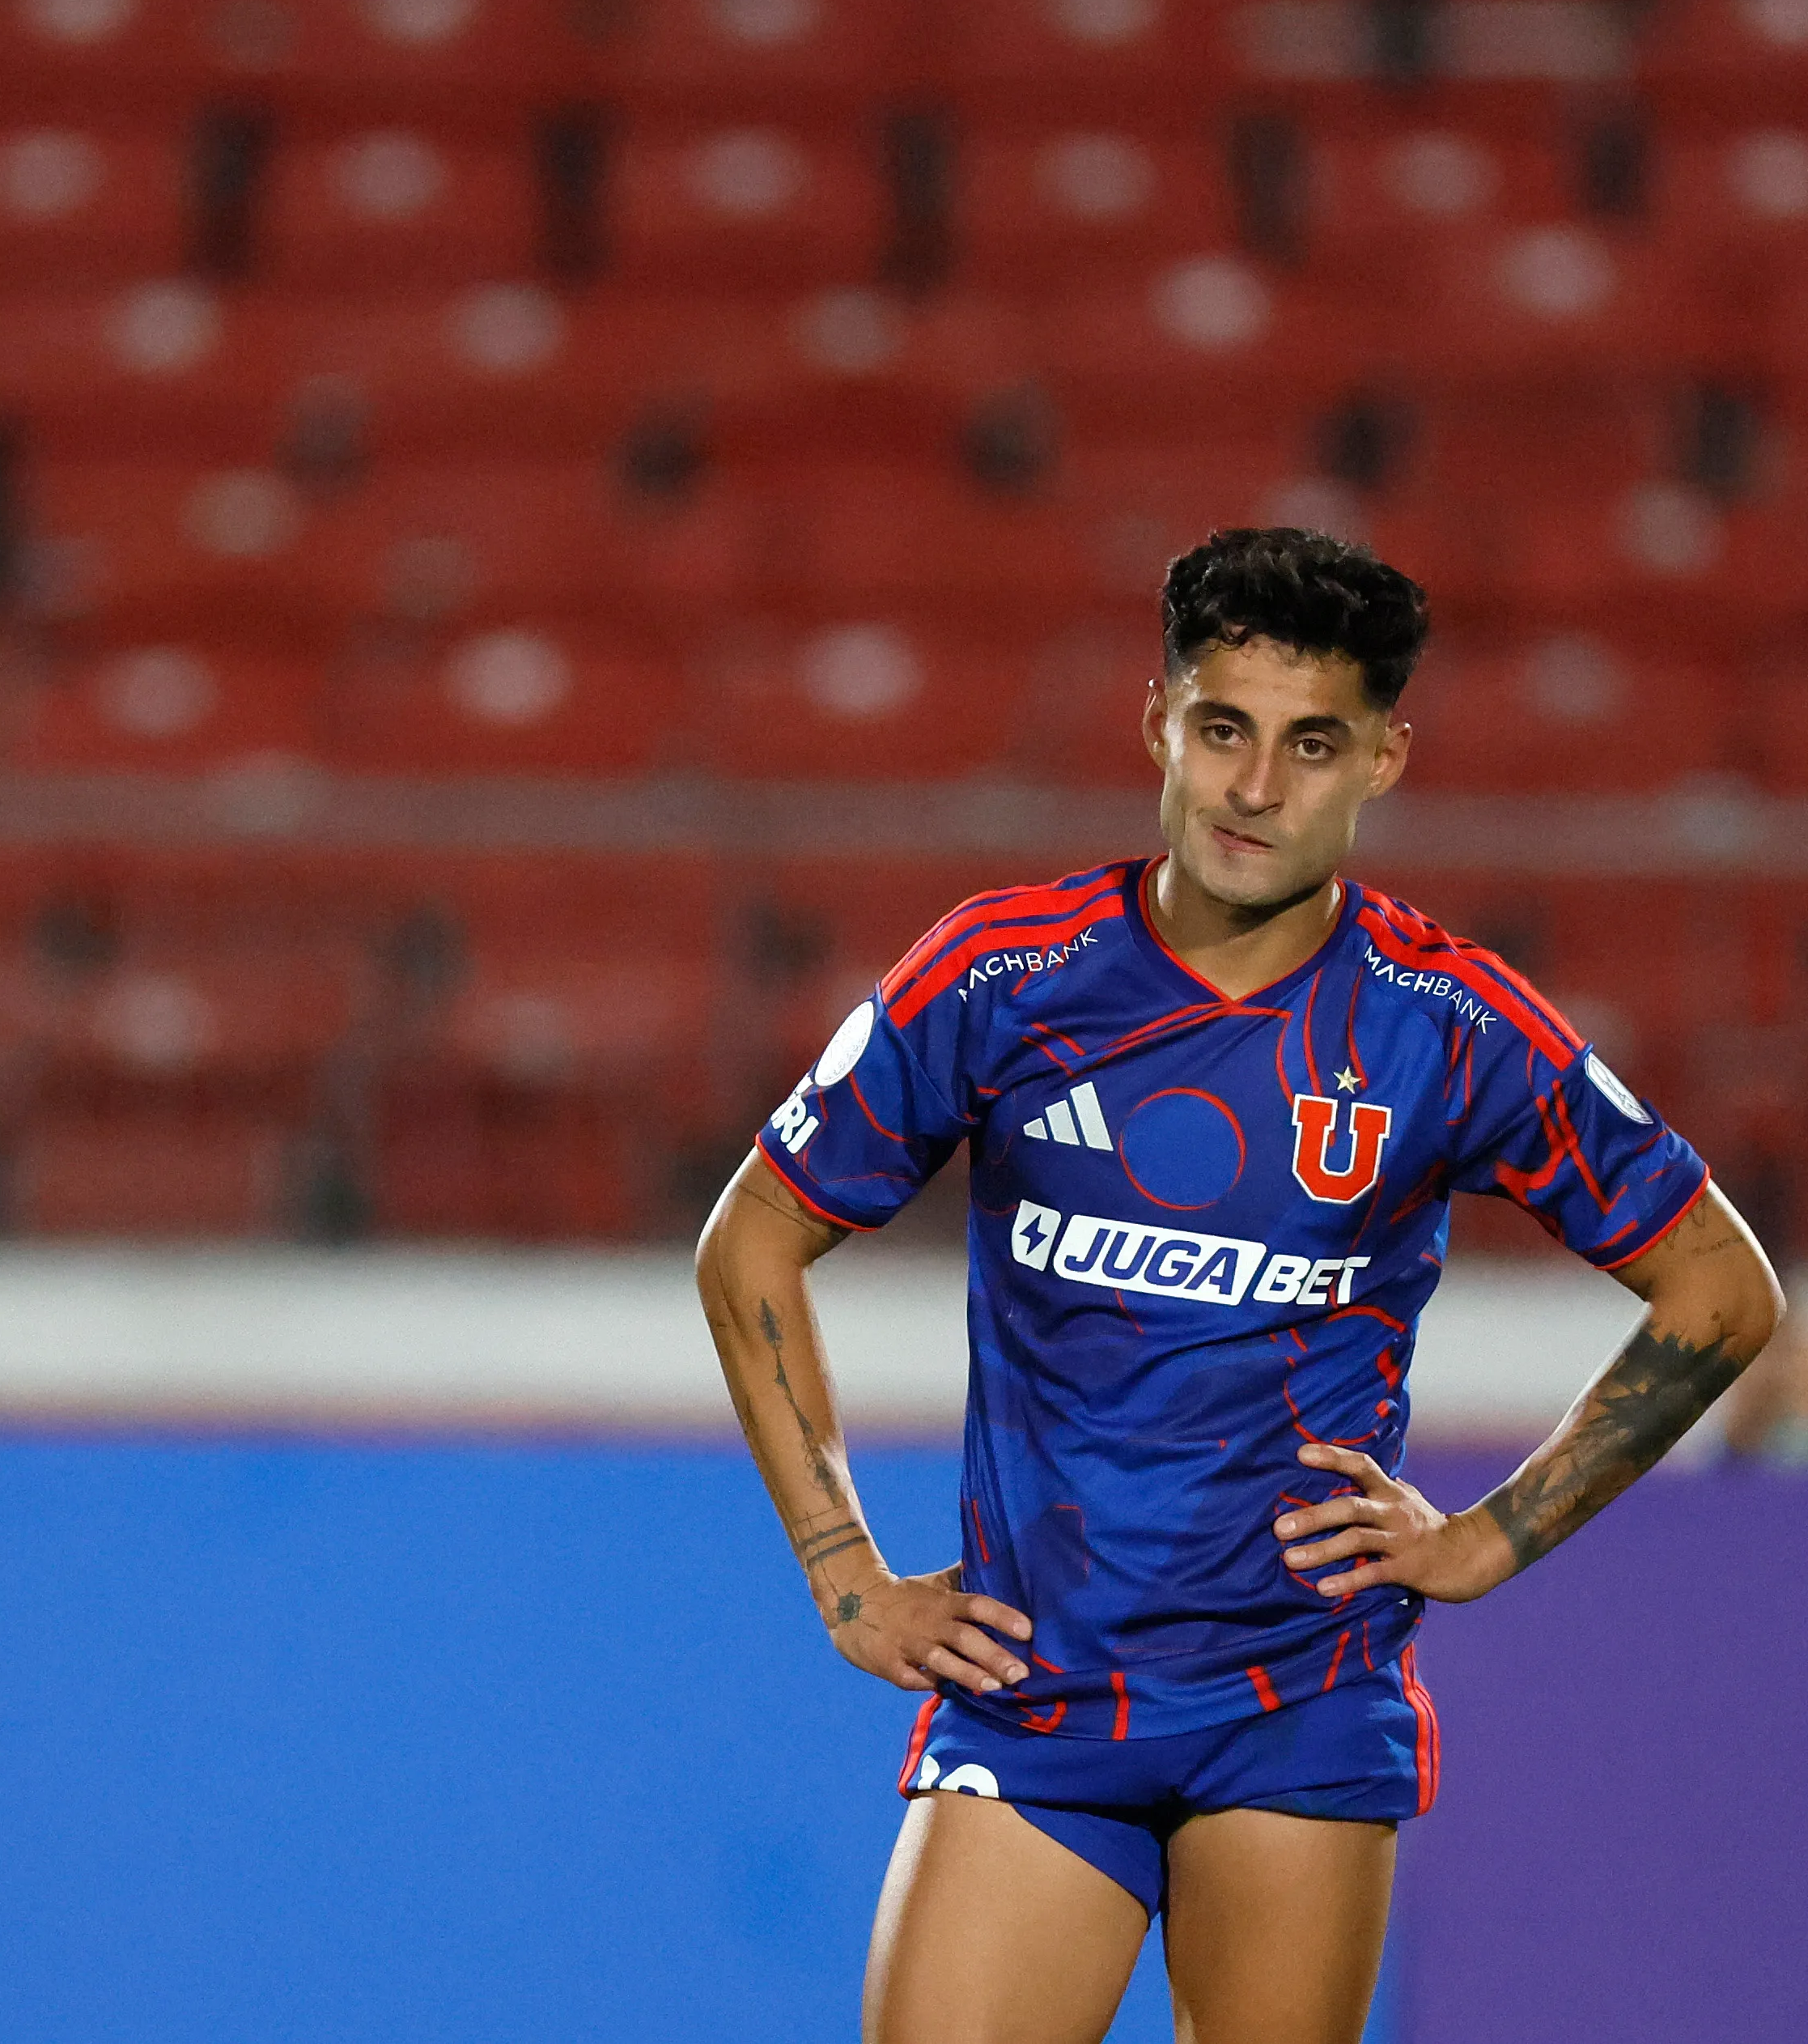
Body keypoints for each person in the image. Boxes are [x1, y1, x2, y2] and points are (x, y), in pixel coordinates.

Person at [693, 526, 1785, 2044]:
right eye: (1224, 729)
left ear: (1385, 759)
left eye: (1311, 743)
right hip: (1037, 1700)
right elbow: (751, 1237)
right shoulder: (1006, 977)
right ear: (1161, 722)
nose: (1256, 788)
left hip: (1299, 1711)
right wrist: (840, 1567)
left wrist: (1489, 1538)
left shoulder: (1448, 1025)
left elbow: (1723, 1292)